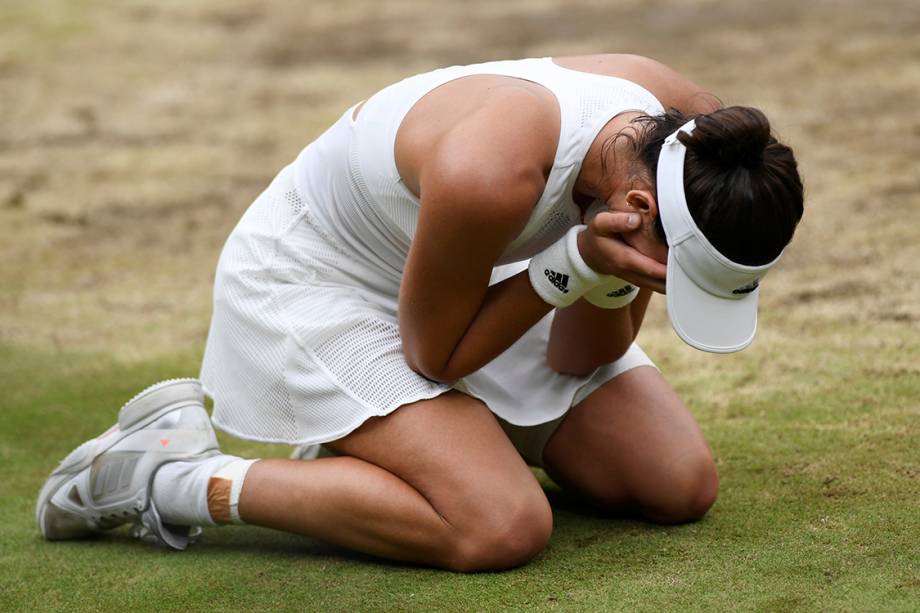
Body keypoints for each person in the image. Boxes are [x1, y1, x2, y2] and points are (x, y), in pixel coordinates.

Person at [36, 54, 804, 572]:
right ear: (639, 209)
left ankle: (399, 449)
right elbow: (438, 355)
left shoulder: (700, 141)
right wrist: (571, 263)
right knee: (502, 524)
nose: (671, 290)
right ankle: (162, 473)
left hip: (474, 269)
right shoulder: (491, 173)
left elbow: (576, 357)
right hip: (317, 283)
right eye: (677, 275)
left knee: (677, 482)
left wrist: (597, 271)